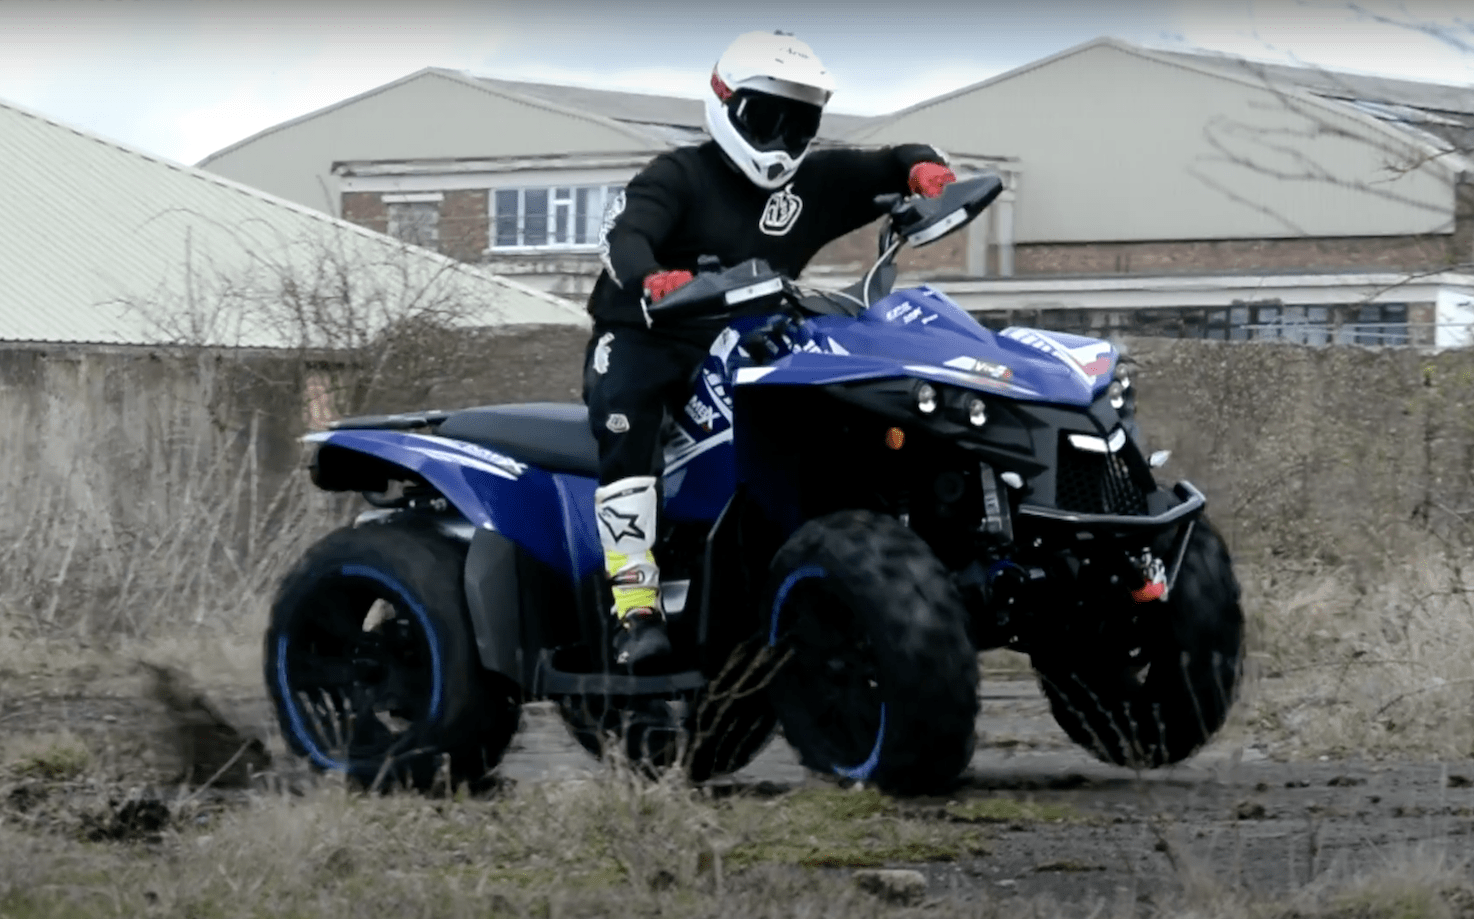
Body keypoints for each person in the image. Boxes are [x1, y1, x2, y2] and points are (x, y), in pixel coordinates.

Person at [584, 30, 958, 668]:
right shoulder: (676, 175)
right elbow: (625, 234)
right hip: (651, 331)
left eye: (800, 122)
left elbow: (894, 157)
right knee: (627, 416)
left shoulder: (812, 182)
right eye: (766, 117)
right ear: (725, 104)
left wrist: (926, 168)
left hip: (751, 336)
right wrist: (654, 278)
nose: (782, 139)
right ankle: (635, 607)